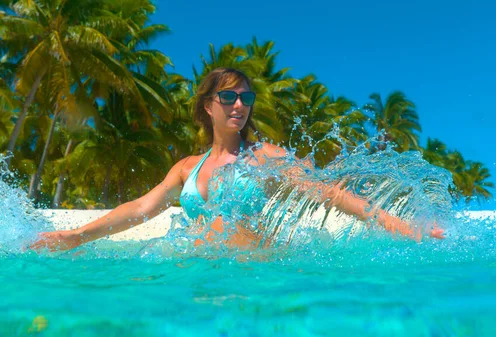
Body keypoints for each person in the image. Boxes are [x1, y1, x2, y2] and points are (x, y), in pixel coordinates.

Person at [30, 68, 444, 252]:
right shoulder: (185, 167)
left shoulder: (266, 157)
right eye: (228, 96)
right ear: (207, 106)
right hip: (201, 273)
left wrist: (405, 227)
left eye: (246, 97)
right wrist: (73, 237)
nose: (239, 105)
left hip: (258, 271)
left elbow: (328, 194)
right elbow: (139, 209)